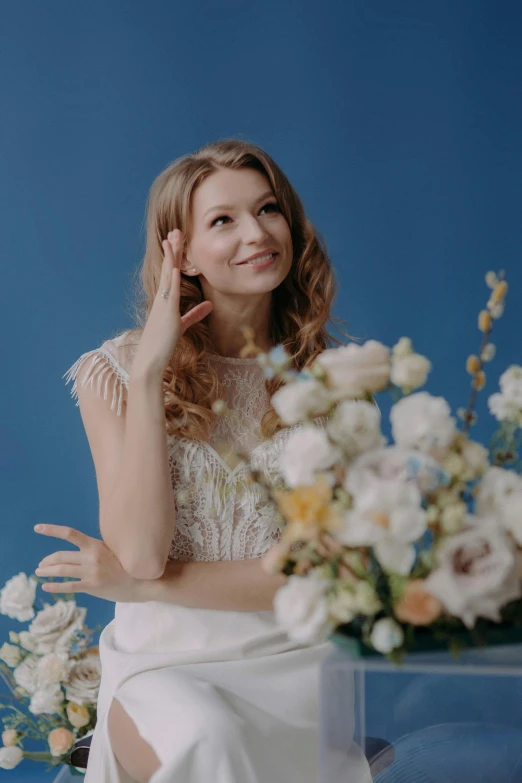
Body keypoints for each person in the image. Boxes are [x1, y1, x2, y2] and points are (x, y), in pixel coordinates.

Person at [55, 138, 371, 783]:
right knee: (209, 737)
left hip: (299, 667)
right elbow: (142, 550)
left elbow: (326, 579)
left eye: (268, 209)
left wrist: (137, 587)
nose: (256, 233)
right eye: (222, 220)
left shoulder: (335, 381)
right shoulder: (112, 373)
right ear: (182, 251)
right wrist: (149, 377)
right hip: (162, 669)